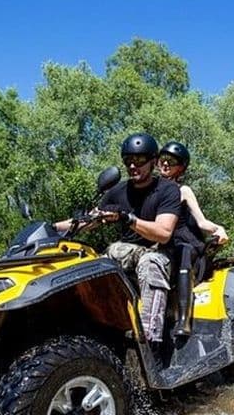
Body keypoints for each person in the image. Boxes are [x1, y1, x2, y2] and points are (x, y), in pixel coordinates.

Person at [55, 132, 181, 348]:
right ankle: (91, 333)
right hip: (127, 252)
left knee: (150, 263)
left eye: (140, 161)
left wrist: (127, 218)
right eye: (128, 161)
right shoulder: (117, 191)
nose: (133, 166)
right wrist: (52, 227)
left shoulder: (167, 189)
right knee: (93, 263)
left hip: (161, 253)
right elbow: (90, 220)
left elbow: (163, 232)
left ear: (152, 161)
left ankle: (150, 342)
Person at [158, 141, 228, 337]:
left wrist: (219, 229)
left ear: (180, 168)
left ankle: (183, 320)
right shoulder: (151, 191)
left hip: (188, 248)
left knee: (183, 250)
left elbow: (202, 222)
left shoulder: (184, 190)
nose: (165, 164)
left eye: (171, 161)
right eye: (162, 159)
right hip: (163, 248)